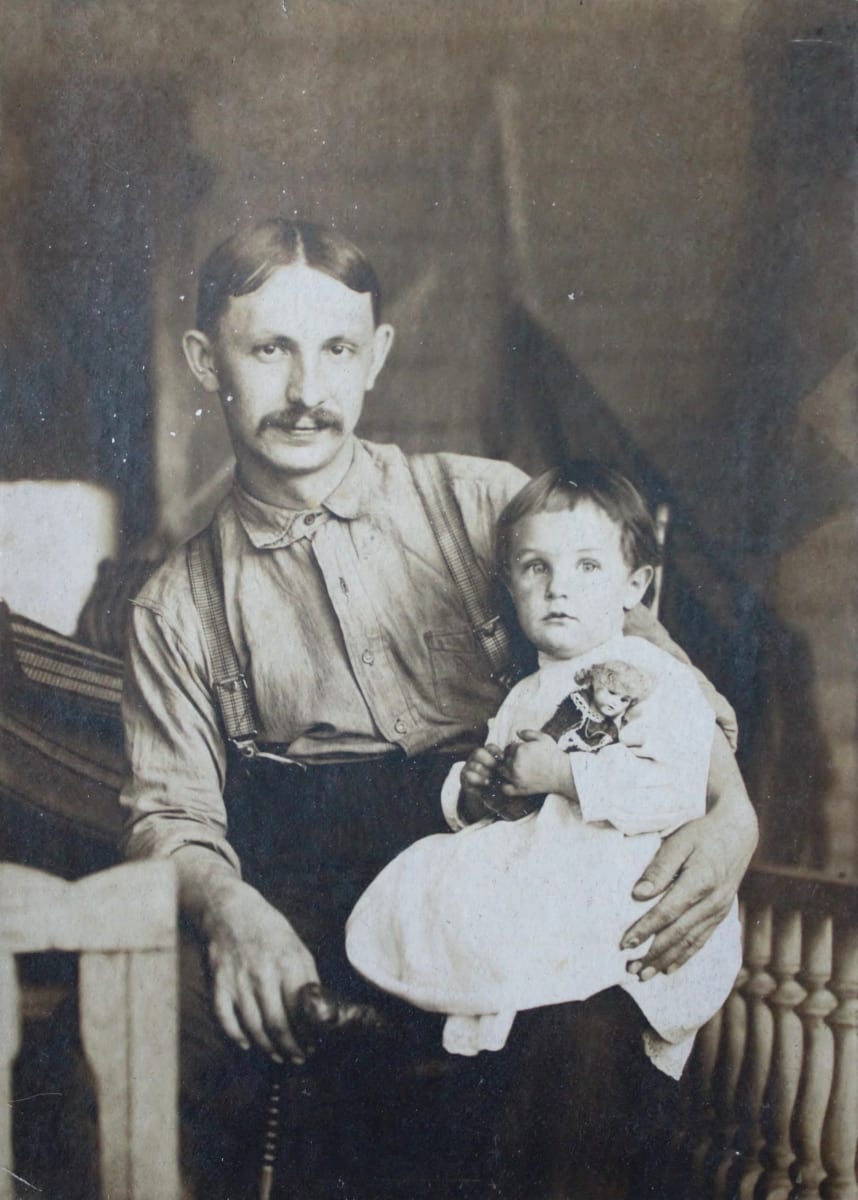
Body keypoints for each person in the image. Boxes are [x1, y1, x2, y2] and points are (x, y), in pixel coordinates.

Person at [119, 218, 758, 1198]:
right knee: (197, 1045)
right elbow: (171, 820)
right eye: (269, 349)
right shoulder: (176, 608)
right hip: (334, 910)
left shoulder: (492, 507)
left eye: (335, 349)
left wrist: (734, 814)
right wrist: (232, 911)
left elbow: (650, 669)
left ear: (376, 355)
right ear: (209, 362)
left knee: (580, 1032)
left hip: (531, 876)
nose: (306, 391)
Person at [345, 464, 743, 1087]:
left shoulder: (650, 674)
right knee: (432, 884)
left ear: (633, 586)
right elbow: (514, 806)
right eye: (537, 568)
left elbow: (675, 789)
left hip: (619, 887)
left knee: (578, 1038)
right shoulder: (525, 694)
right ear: (511, 583)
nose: (559, 588)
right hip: (547, 879)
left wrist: (562, 772)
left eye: (587, 567)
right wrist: (483, 789)